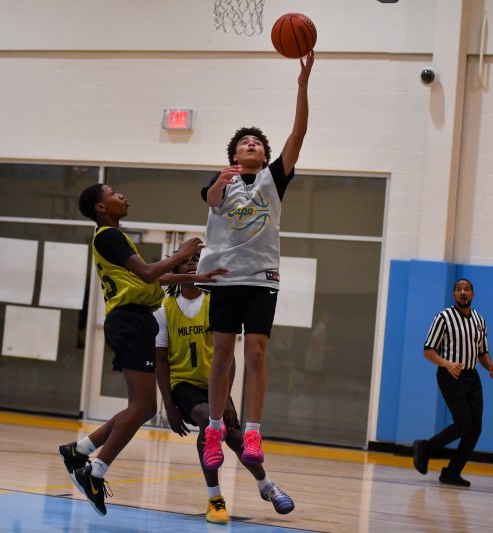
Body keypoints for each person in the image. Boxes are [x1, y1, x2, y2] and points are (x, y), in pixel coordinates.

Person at [58, 183, 226, 517]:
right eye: (113, 193)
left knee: (142, 407)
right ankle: (94, 471)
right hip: (130, 322)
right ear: (101, 207)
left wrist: (197, 275)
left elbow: (149, 280)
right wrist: (180, 254)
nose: (122, 195)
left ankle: (80, 450)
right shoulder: (109, 235)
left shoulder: (114, 237)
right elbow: (150, 271)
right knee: (142, 407)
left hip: (134, 321)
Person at [196, 51, 315, 470]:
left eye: (258, 143)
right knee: (223, 355)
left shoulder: (272, 179)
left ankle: (254, 433)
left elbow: (298, 135)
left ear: (264, 157)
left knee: (258, 355)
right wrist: (220, 180)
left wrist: (302, 87)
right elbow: (210, 201)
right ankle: (213, 430)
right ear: (234, 155)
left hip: (262, 276)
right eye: (245, 142)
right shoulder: (221, 182)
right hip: (225, 278)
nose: (252, 143)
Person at [154, 253, 294, 524]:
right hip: (183, 385)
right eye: (186, 261)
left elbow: (227, 357)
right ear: (178, 268)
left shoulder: (214, 303)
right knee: (210, 423)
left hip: (214, 385)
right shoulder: (164, 309)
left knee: (233, 435)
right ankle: (215, 499)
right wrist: (168, 406)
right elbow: (161, 361)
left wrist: (227, 398)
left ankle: (267, 486)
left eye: (197, 259)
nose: (192, 263)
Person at [412, 279, 493, 487]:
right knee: (464, 423)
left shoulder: (480, 320)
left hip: (472, 377)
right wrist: (447, 364)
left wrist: (490, 366)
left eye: (466, 289)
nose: (463, 292)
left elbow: (482, 352)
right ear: (453, 296)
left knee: (475, 428)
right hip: (450, 375)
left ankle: (452, 472)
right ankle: (424, 447)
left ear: (473, 295)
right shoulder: (443, 318)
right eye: (459, 290)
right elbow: (428, 351)